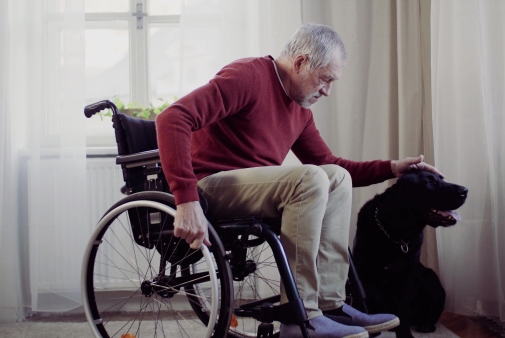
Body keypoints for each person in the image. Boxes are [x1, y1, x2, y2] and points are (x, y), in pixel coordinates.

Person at [156, 23, 443, 338]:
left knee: (335, 177)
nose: (327, 90)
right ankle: (300, 318)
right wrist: (186, 200)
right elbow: (172, 118)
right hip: (211, 186)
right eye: (325, 79)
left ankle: (330, 305)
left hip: (251, 189)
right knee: (309, 178)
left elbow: (329, 164)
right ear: (301, 62)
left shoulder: (299, 108)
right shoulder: (248, 76)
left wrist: (392, 167)